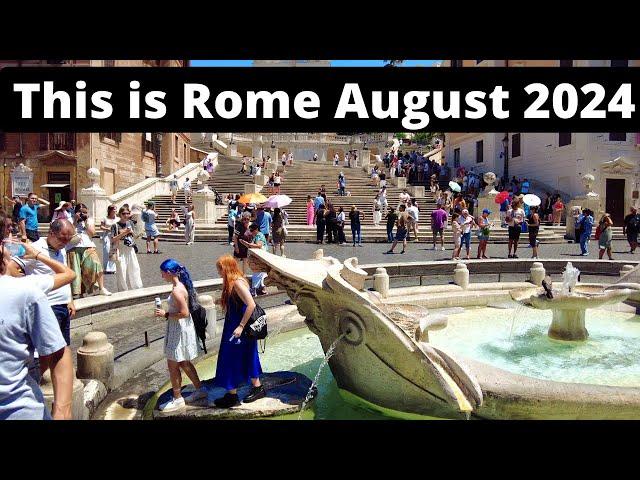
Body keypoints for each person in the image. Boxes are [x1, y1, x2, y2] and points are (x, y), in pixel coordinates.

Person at [0, 213, 74, 420]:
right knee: (41, 357)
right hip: (42, 306)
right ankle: (39, 380)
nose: (65, 243)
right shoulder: (35, 250)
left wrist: (70, 299)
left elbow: (60, 353)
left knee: (56, 348)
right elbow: (15, 270)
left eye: (69, 239)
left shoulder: (60, 249)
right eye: (62, 238)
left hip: (57, 306)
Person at [212, 255, 264, 408]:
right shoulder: (236, 281)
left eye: (220, 269)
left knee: (230, 358)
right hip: (236, 326)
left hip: (239, 328)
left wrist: (240, 326)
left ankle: (233, 395)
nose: (219, 272)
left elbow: (251, 304)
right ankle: (255, 388)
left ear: (226, 268)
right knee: (247, 356)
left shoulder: (237, 283)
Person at [154, 259, 206, 412]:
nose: (162, 275)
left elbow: (184, 313)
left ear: (169, 273)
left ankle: (177, 398)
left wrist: (166, 314)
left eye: (162, 273)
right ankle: (199, 390)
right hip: (182, 328)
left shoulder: (177, 290)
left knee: (173, 365)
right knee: (183, 362)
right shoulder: (180, 285)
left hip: (179, 329)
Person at [68, 204, 111, 297]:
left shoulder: (89, 220)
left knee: (97, 265)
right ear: (76, 212)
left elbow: (92, 233)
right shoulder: (70, 219)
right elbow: (68, 232)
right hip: (73, 247)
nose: (83, 214)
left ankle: (101, 288)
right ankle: (78, 293)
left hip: (88, 246)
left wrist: (87, 222)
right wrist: (75, 220)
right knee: (77, 271)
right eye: (81, 212)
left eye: (85, 212)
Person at [111, 206, 143, 292]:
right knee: (121, 270)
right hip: (121, 249)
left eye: (128, 213)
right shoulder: (115, 225)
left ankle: (137, 288)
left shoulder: (131, 223)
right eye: (124, 213)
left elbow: (135, 236)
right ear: (120, 214)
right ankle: (122, 290)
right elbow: (113, 239)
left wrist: (133, 233)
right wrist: (124, 233)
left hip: (130, 249)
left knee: (135, 268)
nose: (126, 215)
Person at [99, 205, 118, 274]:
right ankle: (106, 268)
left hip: (115, 236)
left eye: (116, 209)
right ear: (110, 210)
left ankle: (112, 268)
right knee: (106, 252)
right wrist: (107, 229)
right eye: (114, 209)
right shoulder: (104, 218)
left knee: (113, 251)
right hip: (107, 236)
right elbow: (101, 226)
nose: (116, 211)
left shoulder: (117, 219)